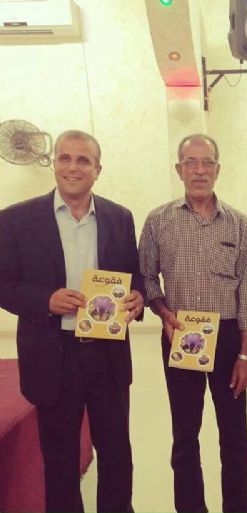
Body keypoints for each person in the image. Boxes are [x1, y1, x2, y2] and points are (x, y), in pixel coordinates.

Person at [0, 130, 145, 512]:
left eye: (83, 160)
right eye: (65, 158)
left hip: (107, 355)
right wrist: (45, 300)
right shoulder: (16, 219)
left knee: (117, 456)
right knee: (60, 462)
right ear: (54, 163)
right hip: (53, 356)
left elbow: (135, 275)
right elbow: (3, 284)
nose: (73, 167)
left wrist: (138, 297)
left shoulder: (119, 218)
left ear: (98, 169)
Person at [138, 134, 247, 513]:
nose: (200, 170)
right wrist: (163, 313)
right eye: (191, 162)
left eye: (207, 162)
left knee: (235, 437)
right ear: (179, 170)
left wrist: (245, 354)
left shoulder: (239, 224)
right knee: (185, 435)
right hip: (180, 334)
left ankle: (236, 507)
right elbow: (146, 277)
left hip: (228, 339)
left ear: (218, 169)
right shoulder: (159, 221)